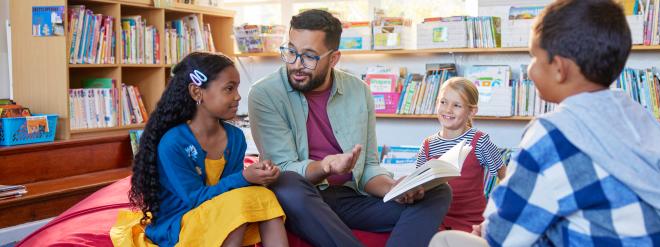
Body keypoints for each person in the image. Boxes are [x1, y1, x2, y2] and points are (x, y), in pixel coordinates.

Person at [430, 0, 660, 246]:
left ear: (559, 68)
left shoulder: (553, 133)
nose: (530, 69)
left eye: (533, 57)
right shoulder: (641, 118)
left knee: (445, 241)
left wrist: (486, 230)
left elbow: (504, 234)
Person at [248, 9, 452, 247]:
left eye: (309, 57)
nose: (296, 65)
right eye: (291, 52)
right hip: (303, 199)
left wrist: (394, 188)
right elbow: (281, 168)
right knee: (286, 184)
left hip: (350, 198)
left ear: (334, 58)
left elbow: (368, 167)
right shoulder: (265, 94)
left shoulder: (359, 90)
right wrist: (325, 166)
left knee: (438, 191)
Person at [114, 52, 288, 247]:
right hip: (180, 223)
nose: (238, 96)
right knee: (235, 208)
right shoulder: (174, 142)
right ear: (197, 92)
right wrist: (244, 178)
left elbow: (232, 189)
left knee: (264, 196)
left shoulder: (235, 138)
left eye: (237, 88)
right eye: (229, 89)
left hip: (218, 211)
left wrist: (259, 176)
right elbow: (194, 198)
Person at [415, 77, 506, 232]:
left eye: (457, 105)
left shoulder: (479, 141)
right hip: (436, 221)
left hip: (471, 223)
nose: (448, 110)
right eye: (443, 102)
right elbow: (418, 185)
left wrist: (500, 212)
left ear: (472, 111)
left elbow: (505, 176)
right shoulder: (428, 145)